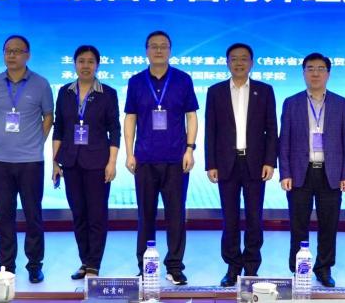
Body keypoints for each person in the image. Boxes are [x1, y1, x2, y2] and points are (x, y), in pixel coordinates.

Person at [124, 31, 199, 285]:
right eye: (154, 46)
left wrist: (190, 149)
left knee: (176, 215)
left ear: (170, 50)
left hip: (176, 159)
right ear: (146, 50)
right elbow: (130, 118)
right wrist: (129, 153)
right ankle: (146, 266)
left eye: (163, 46)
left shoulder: (183, 79)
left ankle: (175, 267)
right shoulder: (136, 82)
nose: (158, 50)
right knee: (145, 215)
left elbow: (191, 116)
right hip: (145, 158)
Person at [205, 43, 278, 286]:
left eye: (244, 58)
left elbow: (271, 129)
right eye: (234, 59)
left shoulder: (264, 91)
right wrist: (211, 163)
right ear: (227, 62)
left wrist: (270, 161)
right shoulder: (215, 92)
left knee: (255, 217)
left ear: (251, 63)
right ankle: (233, 266)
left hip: (255, 162)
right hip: (226, 162)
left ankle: (252, 266)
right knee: (230, 218)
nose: (239, 63)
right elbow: (211, 130)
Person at [278, 53, 345, 288]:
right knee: (298, 224)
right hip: (300, 172)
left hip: (331, 173)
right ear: (303, 73)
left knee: (329, 224)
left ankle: (324, 268)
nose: (315, 73)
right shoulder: (291, 102)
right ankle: (298, 269)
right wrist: (285, 172)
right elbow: (284, 141)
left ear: (328, 74)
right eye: (310, 68)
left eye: (321, 69)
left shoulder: (341, 103)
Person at [0, 35, 54, 284]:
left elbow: (48, 117)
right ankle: (6, 264)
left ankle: (34, 264)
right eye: (8, 51)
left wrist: (36, 142)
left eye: (17, 51)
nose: (12, 55)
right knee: (4, 215)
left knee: (33, 215)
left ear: (28, 55)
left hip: (30, 161)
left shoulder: (41, 84)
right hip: (0, 160)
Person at [52, 45, 121, 279]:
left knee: (97, 215)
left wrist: (112, 163)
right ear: (74, 64)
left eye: (90, 61)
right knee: (79, 214)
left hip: (98, 163)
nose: (85, 66)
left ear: (97, 65)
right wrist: (55, 162)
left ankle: (94, 264)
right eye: (81, 61)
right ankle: (84, 261)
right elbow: (59, 129)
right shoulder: (65, 92)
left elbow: (114, 130)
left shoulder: (108, 93)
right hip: (70, 162)